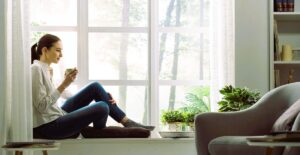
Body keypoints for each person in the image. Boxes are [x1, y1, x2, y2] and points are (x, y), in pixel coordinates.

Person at [31, 34, 154, 139]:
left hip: (58, 115)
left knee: (95, 88)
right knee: (102, 107)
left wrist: (104, 97)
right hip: (49, 126)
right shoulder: (36, 69)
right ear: (45, 50)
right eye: (58, 50)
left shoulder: (47, 69)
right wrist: (64, 84)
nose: (61, 55)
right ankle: (97, 131)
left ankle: (127, 122)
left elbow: (60, 94)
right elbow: (42, 107)